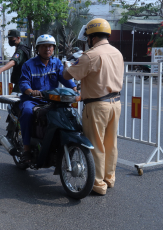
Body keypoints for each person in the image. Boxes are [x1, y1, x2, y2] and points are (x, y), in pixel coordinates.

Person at [63, 18, 124, 196]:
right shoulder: (117, 53)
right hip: (116, 103)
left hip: (97, 106)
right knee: (111, 143)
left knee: (96, 144)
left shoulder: (90, 55)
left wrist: (68, 66)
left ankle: (98, 184)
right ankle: (109, 178)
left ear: (92, 37)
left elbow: (68, 75)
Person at [18, 34, 76, 161]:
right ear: (38, 48)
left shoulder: (56, 63)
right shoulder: (29, 64)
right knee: (27, 113)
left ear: (54, 48)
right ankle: (26, 149)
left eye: (50, 46)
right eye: (43, 46)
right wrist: (31, 91)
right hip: (32, 100)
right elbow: (23, 83)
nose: (47, 49)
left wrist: (74, 87)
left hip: (52, 100)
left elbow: (64, 78)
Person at [0, 29, 31, 145]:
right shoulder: (22, 48)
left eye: (12, 39)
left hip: (22, 84)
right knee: (16, 109)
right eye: (9, 39)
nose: (10, 41)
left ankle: (11, 136)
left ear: (19, 38)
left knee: (14, 109)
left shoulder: (21, 50)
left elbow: (13, 61)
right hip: (23, 82)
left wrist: (0, 70)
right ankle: (13, 134)